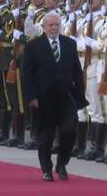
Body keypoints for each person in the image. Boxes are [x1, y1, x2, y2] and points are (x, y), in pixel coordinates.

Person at [22, 11, 88, 181]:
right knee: (45, 136)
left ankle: (62, 162)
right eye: (50, 25)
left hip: (66, 97)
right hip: (43, 98)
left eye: (56, 24)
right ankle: (46, 169)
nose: (54, 28)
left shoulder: (69, 44)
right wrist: (31, 97)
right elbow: (27, 75)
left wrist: (80, 94)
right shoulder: (33, 46)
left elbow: (77, 72)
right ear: (43, 27)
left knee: (69, 131)